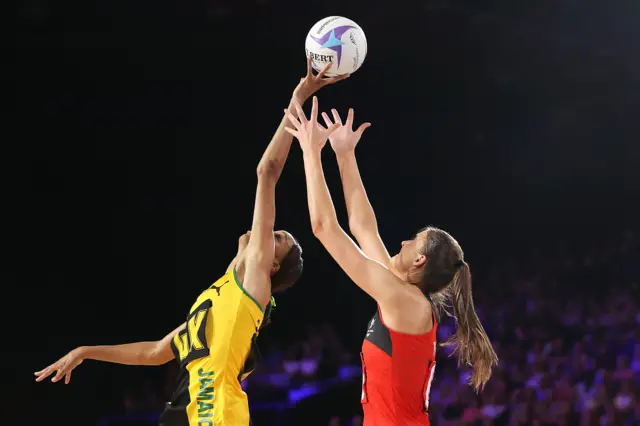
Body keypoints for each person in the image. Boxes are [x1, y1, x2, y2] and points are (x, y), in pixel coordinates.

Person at [34, 58, 348, 426]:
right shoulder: (217, 298)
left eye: (275, 237)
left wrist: (299, 95)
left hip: (214, 411)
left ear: (271, 265)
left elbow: (268, 172)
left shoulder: (253, 286)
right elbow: (152, 353)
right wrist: (86, 351)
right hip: (184, 409)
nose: (267, 233)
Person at [284, 100, 498, 426]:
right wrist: (344, 155)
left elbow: (324, 228)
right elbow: (362, 226)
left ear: (419, 260)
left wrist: (310, 152)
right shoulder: (404, 295)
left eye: (412, 241)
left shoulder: (403, 300)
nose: (402, 242)